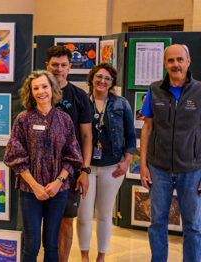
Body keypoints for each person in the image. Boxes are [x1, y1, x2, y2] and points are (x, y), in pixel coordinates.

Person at [4, 70, 83, 262]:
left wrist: (58, 182)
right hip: (30, 190)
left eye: (45, 86)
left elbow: (72, 156)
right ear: (30, 92)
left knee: (51, 244)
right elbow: (15, 156)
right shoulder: (23, 119)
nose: (41, 92)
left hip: (58, 190)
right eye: (36, 88)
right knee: (31, 245)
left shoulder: (65, 120)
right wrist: (35, 186)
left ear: (52, 89)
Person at [140, 44, 201, 262]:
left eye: (179, 60)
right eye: (171, 60)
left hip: (192, 169)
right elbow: (147, 127)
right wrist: (144, 165)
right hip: (159, 169)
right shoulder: (155, 89)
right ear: (165, 64)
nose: (175, 64)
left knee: (193, 225)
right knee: (157, 222)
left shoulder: (200, 91)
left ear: (188, 61)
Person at [76, 63, 137, 262]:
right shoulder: (82, 101)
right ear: (92, 78)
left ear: (112, 83)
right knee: (84, 215)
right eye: (99, 76)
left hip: (112, 168)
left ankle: (101, 256)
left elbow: (130, 135)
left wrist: (127, 161)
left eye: (107, 78)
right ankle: (84, 255)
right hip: (85, 168)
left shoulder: (122, 104)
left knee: (104, 214)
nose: (102, 81)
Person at [45, 45, 93, 262]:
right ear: (47, 65)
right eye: (54, 65)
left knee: (66, 220)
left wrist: (85, 170)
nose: (58, 69)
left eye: (63, 65)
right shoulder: (37, 90)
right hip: (41, 168)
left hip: (70, 170)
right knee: (41, 220)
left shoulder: (79, 96)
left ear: (70, 67)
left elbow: (86, 136)